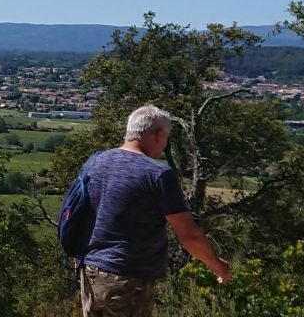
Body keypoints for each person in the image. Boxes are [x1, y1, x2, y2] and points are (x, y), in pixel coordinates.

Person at [77, 105, 230, 316]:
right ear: (159, 135)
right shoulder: (158, 174)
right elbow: (188, 235)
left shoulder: (96, 162)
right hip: (127, 277)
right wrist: (217, 265)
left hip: (91, 272)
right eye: (166, 137)